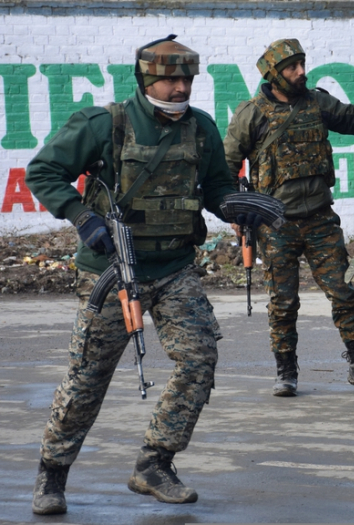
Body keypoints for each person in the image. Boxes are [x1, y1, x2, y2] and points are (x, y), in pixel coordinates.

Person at [25, 36, 254, 515]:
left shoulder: (201, 128)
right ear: (146, 79)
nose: (178, 87)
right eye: (169, 79)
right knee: (88, 378)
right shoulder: (105, 124)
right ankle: (52, 474)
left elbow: (215, 186)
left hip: (173, 267)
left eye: (186, 78)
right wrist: (81, 217)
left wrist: (235, 205)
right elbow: (44, 170)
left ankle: (154, 463)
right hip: (112, 273)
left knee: (199, 359)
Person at [223, 39, 354, 397]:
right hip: (275, 225)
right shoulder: (252, 114)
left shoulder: (317, 101)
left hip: (320, 221)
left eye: (302, 64)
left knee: (344, 294)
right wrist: (236, 214)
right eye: (292, 68)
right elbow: (226, 169)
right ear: (274, 75)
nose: (301, 72)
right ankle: (286, 371)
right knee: (283, 301)